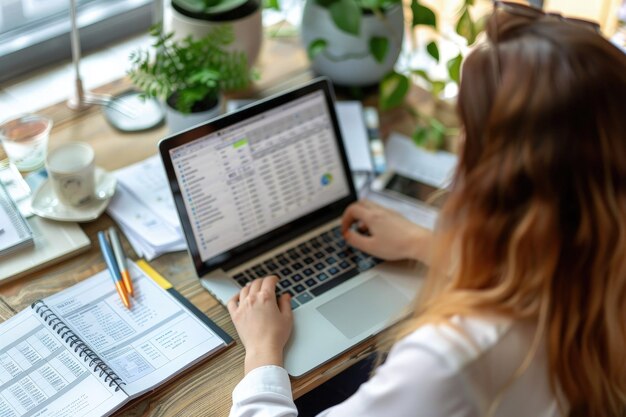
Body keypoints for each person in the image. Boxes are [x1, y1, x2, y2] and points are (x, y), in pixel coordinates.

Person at [226, 2, 626, 416]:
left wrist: (261, 352)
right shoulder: (603, 275)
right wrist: (427, 244)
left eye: (467, 129)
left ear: (495, 173)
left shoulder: (449, 361)